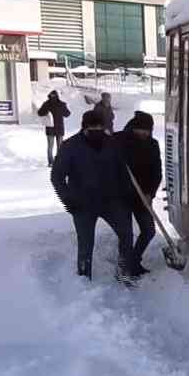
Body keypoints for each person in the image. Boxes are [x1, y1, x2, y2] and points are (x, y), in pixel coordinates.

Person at [51, 110, 135, 281]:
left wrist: (126, 196)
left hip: (111, 201)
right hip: (83, 204)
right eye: (92, 127)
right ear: (84, 127)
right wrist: (68, 199)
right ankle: (84, 278)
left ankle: (124, 270)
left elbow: (123, 172)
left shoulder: (112, 144)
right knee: (86, 244)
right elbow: (57, 177)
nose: (97, 130)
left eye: (99, 127)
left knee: (126, 234)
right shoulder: (70, 146)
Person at [110, 110, 163, 274]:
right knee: (126, 234)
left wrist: (150, 193)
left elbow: (157, 172)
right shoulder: (117, 141)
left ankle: (133, 260)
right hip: (121, 196)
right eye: (142, 129)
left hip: (143, 196)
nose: (145, 133)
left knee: (149, 230)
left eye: (148, 130)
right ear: (134, 127)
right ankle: (124, 267)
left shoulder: (152, 145)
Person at [36, 90, 71, 167]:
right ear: (57, 96)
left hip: (50, 128)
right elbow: (67, 114)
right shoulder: (61, 104)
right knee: (60, 147)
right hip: (59, 128)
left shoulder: (46, 104)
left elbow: (39, 113)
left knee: (50, 147)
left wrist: (46, 112)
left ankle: (51, 162)